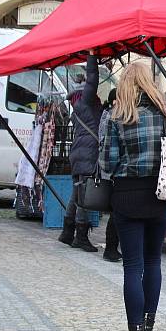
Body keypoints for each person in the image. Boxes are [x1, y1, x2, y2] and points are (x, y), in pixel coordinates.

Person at [100, 62, 166, 331]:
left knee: (132, 267)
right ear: (149, 83)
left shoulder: (117, 117)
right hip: (160, 194)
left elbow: (107, 164)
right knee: (153, 263)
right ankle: (150, 329)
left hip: (126, 196)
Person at [58, 51, 102, 253]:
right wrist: (93, 56)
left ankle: (67, 233)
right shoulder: (86, 103)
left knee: (76, 194)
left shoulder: (78, 109)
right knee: (84, 195)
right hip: (87, 155)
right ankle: (80, 238)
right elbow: (92, 80)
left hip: (78, 154)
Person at [99, 88, 121, 263]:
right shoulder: (111, 117)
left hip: (110, 170)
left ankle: (112, 247)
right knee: (115, 212)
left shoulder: (108, 115)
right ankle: (111, 248)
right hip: (112, 172)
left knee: (116, 211)